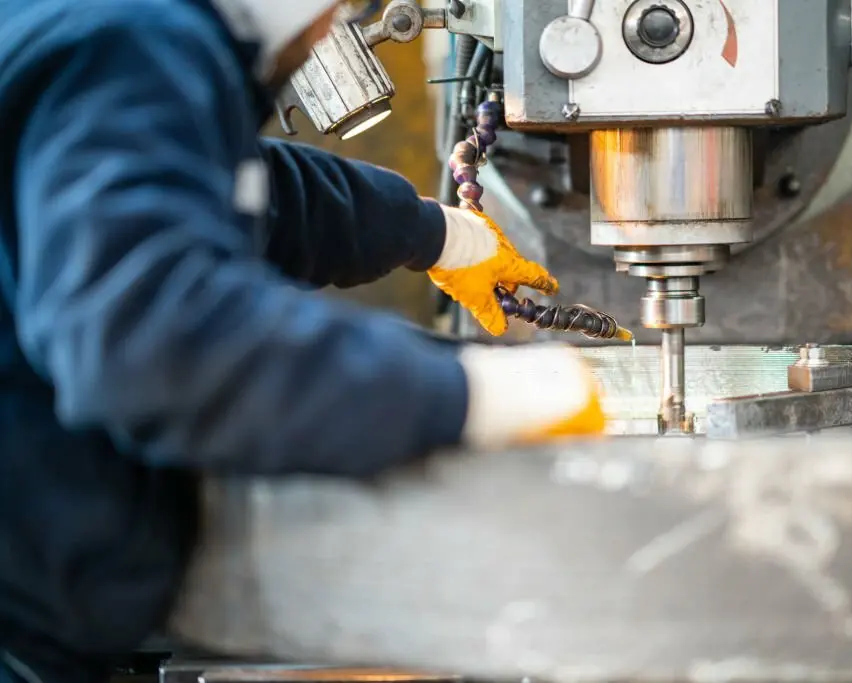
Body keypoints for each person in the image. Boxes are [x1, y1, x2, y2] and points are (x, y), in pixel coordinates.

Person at [0, 0, 608, 681]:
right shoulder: (132, 40)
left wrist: (437, 234)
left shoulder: (105, 27)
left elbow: (223, 187)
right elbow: (156, 346)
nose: (337, 26)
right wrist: (468, 396)